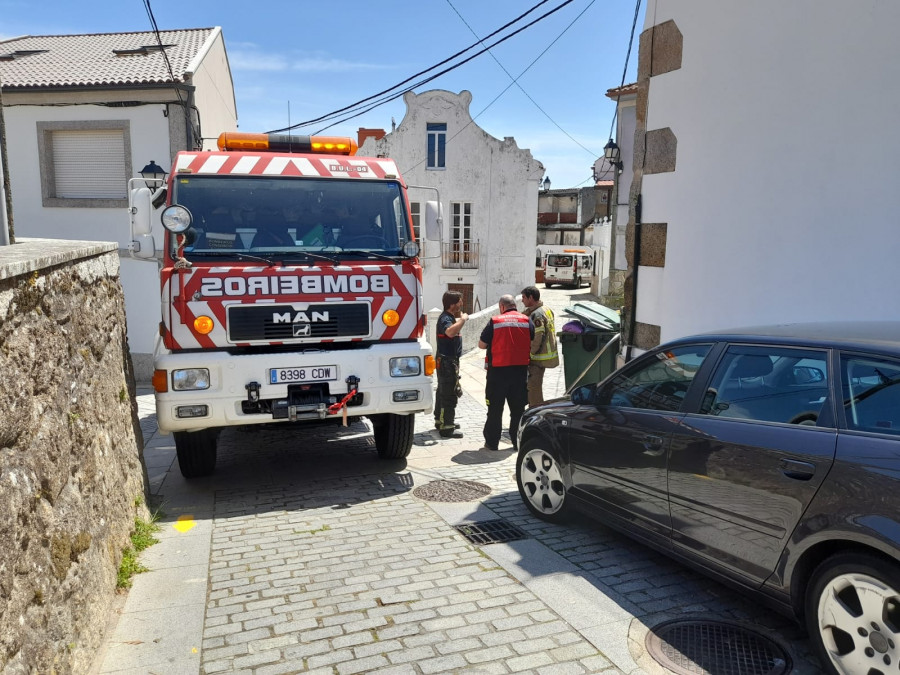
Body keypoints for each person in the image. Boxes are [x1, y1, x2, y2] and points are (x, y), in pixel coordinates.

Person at [478, 294, 534, 451]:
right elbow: (531, 338)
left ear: (501, 306)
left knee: (495, 410)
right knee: (517, 411)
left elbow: (482, 345)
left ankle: (492, 443)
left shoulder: (495, 321)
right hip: (520, 373)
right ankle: (517, 442)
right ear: (514, 305)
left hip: (498, 373)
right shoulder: (526, 320)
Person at [434, 290, 468, 438]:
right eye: (459, 301)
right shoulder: (445, 319)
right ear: (452, 304)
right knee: (448, 394)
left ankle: (440, 420)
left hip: (448, 360)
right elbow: (449, 333)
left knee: (443, 391)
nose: (462, 304)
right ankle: (447, 427)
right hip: (447, 361)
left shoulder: (449, 317)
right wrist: (463, 320)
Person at [521, 285, 559, 407]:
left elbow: (537, 338)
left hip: (538, 357)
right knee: (535, 385)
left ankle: (535, 411)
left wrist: (530, 354)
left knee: (533, 386)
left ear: (531, 298)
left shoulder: (536, 315)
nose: (522, 300)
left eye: (524, 297)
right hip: (546, 355)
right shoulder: (546, 309)